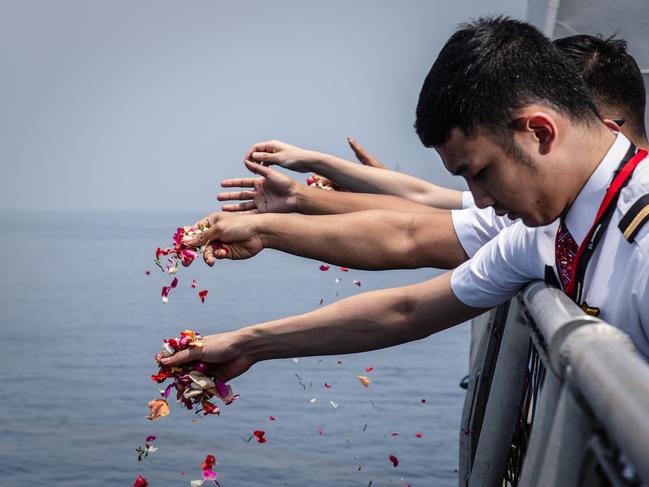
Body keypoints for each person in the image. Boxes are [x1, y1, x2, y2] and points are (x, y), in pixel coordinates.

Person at [160, 18, 649, 382]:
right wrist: (248, 345)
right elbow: (409, 308)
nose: (478, 199)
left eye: (479, 173)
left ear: (539, 131)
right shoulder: (541, 233)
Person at [213, 34, 648, 267]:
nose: (484, 199)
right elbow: (426, 205)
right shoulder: (542, 216)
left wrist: (289, 211)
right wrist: (310, 178)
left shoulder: (626, 231)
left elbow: (415, 233)